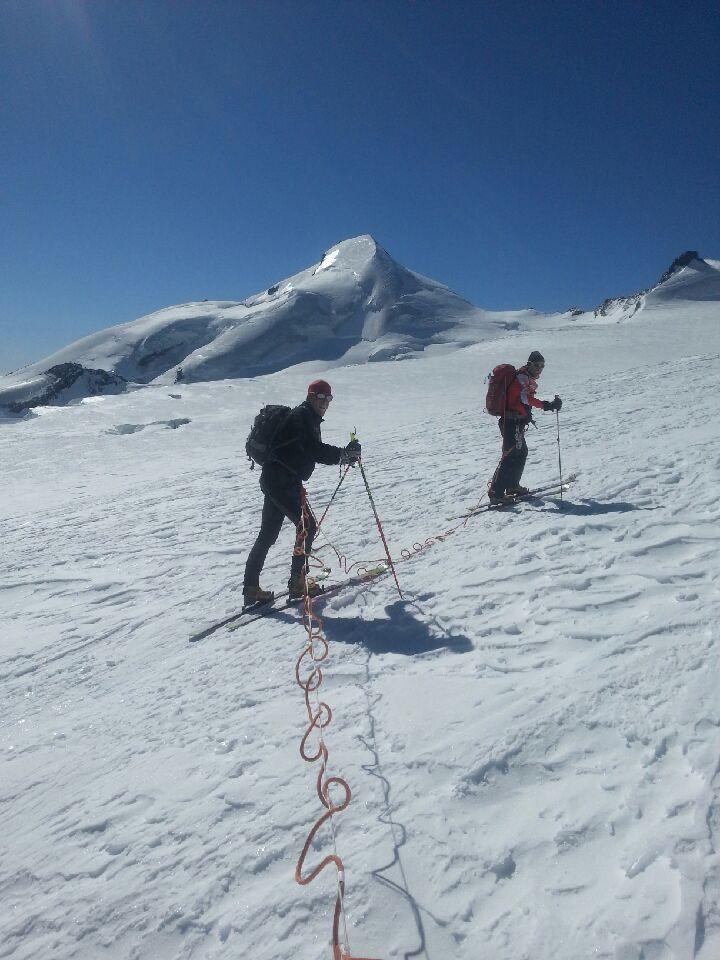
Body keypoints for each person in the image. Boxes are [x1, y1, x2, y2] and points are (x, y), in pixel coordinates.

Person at [243, 379, 361, 606]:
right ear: (310, 396)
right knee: (307, 525)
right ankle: (297, 583)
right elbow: (312, 449)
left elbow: (307, 449)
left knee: (269, 533)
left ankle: (251, 588)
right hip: (281, 480)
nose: (325, 403)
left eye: (329, 399)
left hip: (278, 479)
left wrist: (342, 456)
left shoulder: (307, 417)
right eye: (321, 397)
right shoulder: (302, 417)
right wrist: (343, 455)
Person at [488, 351, 562, 505]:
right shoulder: (521, 378)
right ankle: (496, 491)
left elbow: (523, 400)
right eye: (537, 365)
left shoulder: (526, 378)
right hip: (511, 421)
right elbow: (524, 398)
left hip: (516, 421)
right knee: (510, 455)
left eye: (542, 366)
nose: (539, 368)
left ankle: (512, 486)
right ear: (529, 364)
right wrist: (546, 405)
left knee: (519, 453)